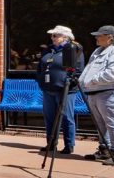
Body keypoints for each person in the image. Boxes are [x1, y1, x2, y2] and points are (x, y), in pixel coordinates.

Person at [79, 25, 114, 165]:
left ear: (110, 37)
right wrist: (82, 81)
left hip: (110, 93)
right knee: (100, 124)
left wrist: (91, 81)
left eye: (99, 35)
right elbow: (88, 69)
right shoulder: (99, 50)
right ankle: (104, 150)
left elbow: (113, 74)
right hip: (95, 92)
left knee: (112, 123)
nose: (96, 37)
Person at [35, 25, 84, 154]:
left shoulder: (74, 49)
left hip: (66, 90)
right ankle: (51, 144)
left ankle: (69, 145)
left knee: (66, 117)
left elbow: (78, 71)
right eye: (52, 35)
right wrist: (40, 79)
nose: (52, 38)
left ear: (65, 37)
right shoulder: (48, 50)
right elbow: (40, 66)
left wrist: (68, 83)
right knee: (49, 117)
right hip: (48, 89)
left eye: (55, 35)